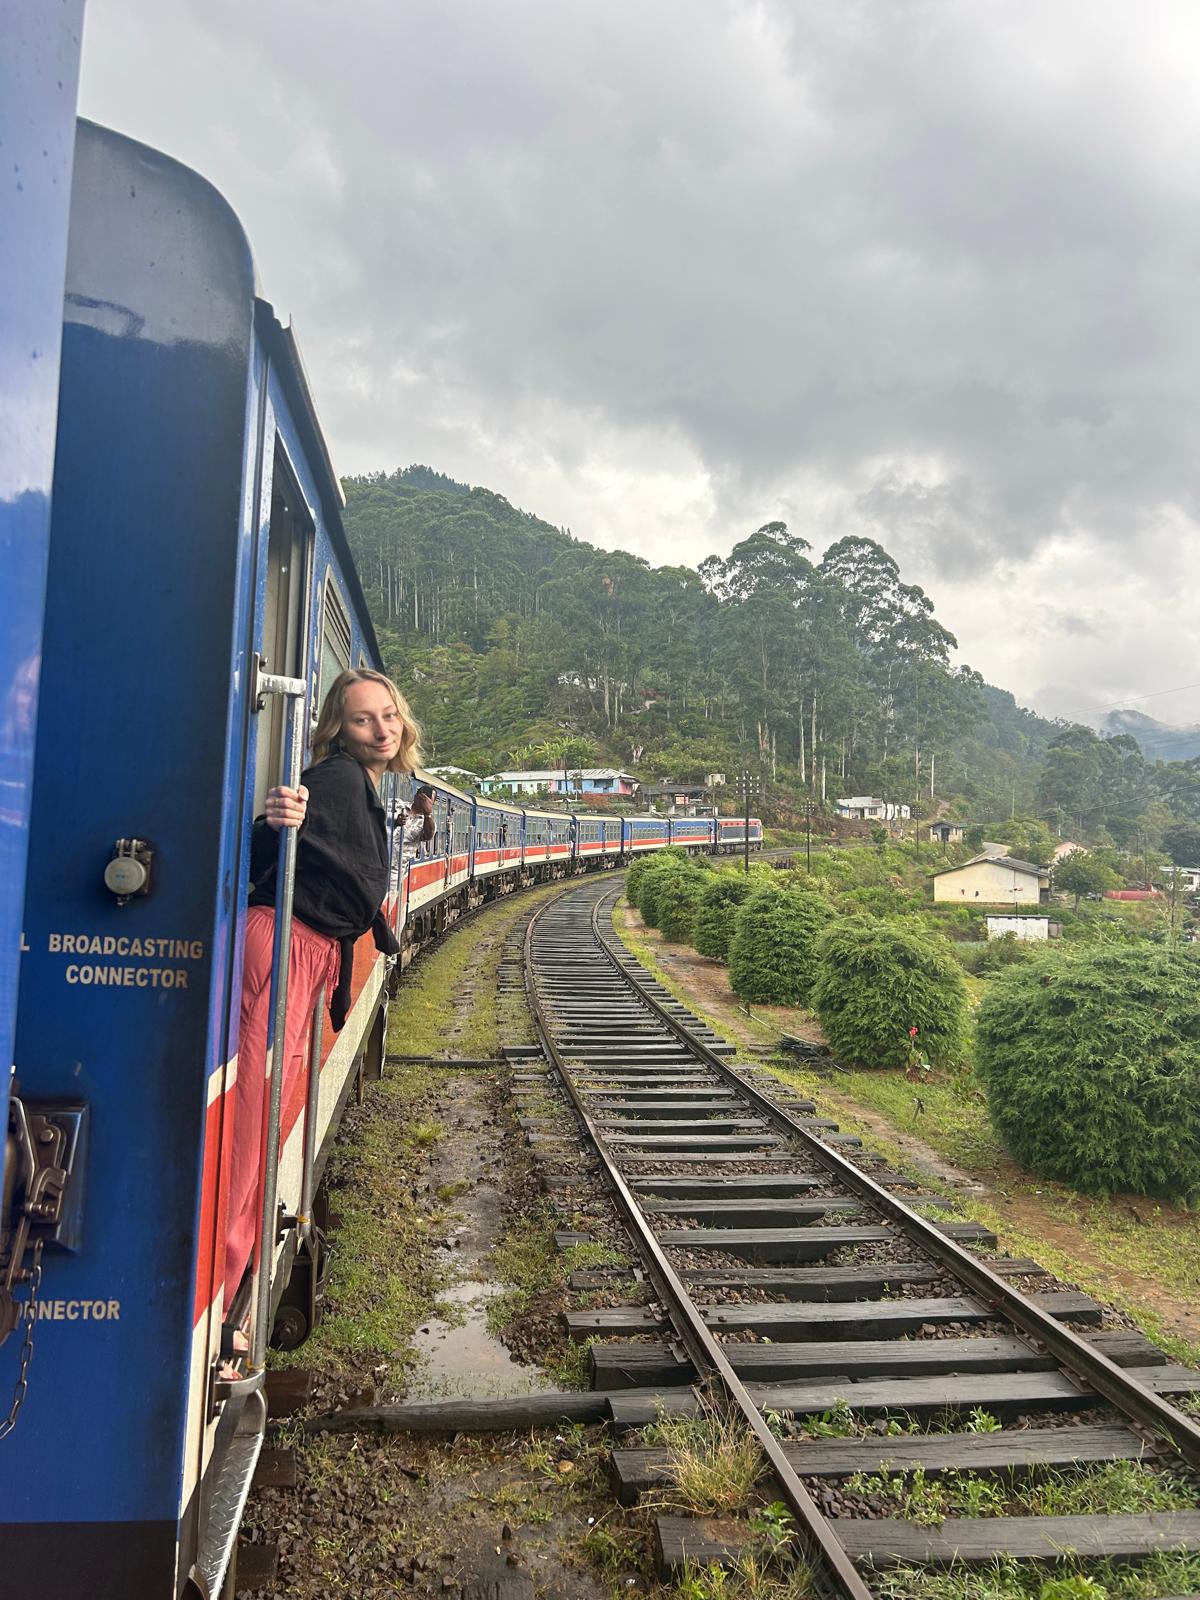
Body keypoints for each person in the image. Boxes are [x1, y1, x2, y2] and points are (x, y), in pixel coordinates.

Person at [222, 668, 434, 1354]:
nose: (382, 728)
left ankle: (239, 1280)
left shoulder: (365, 788)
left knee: (267, 1108)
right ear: (338, 729)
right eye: (363, 718)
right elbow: (276, 832)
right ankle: (228, 1301)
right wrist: (277, 818)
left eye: (389, 715)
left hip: (304, 948)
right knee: (255, 1115)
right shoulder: (339, 778)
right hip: (286, 942)